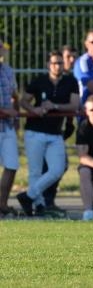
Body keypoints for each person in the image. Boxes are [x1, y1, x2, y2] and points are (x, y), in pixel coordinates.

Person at [16, 50, 80, 216]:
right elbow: (24, 100)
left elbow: (74, 105)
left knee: (57, 169)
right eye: (53, 63)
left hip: (55, 133)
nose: (57, 66)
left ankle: (28, 195)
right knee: (35, 171)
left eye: (59, 63)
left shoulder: (70, 81)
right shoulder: (39, 80)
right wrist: (34, 109)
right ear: (48, 65)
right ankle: (38, 205)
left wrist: (55, 106)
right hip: (35, 131)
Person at [0, 38, 20, 218]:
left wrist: (16, 112)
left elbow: (14, 94)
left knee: (12, 165)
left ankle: (2, 203)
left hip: (7, 127)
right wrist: (7, 111)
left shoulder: (8, 70)